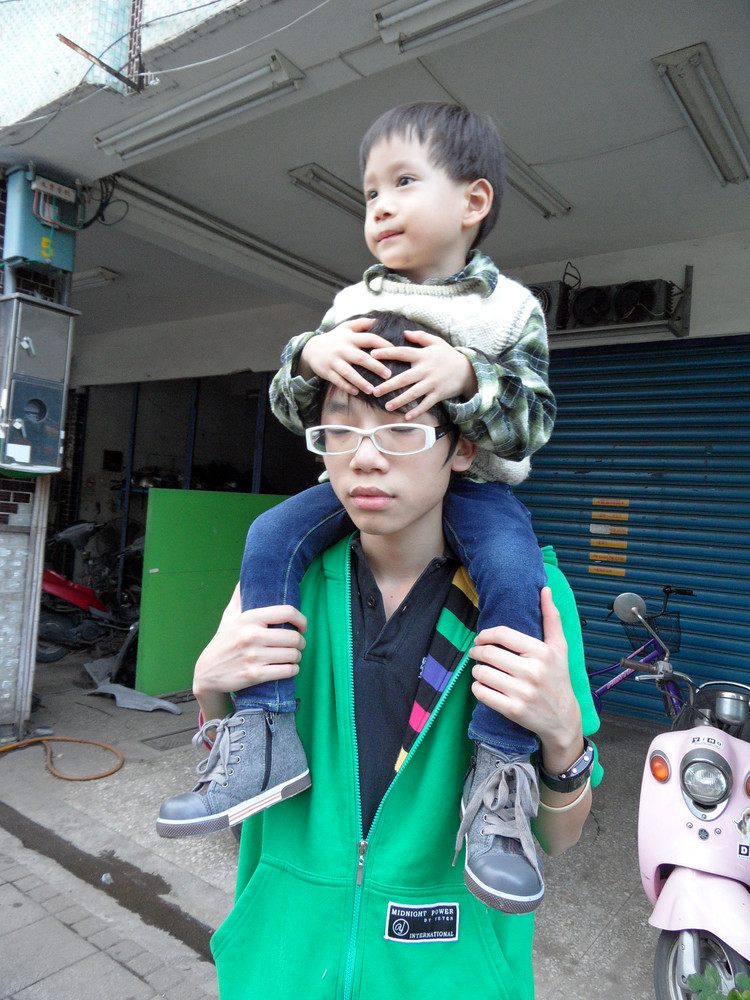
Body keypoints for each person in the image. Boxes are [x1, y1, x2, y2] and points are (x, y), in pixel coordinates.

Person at [158, 100, 556, 913]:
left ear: (473, 201)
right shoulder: (345, 308)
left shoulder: (507, 312)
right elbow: (290, 404)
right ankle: (264, 731)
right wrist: (309, 354)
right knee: (271, 532)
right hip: (357, 487)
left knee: (515, 572)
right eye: (369, 191)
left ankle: (500, 773)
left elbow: (536, 421)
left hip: (473, 490)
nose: (379, 205)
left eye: (403, 182)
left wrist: (469, 377)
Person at [192, 342, 600, 1000]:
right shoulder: (283, 586)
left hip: (453, 976)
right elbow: (245, 804)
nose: (365, 457)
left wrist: (562, 738)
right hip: (280, 969)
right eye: (341, 431)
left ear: (461, 449)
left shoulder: (531, 601)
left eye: (402, 430)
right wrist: (210, 690)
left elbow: (557, 835)